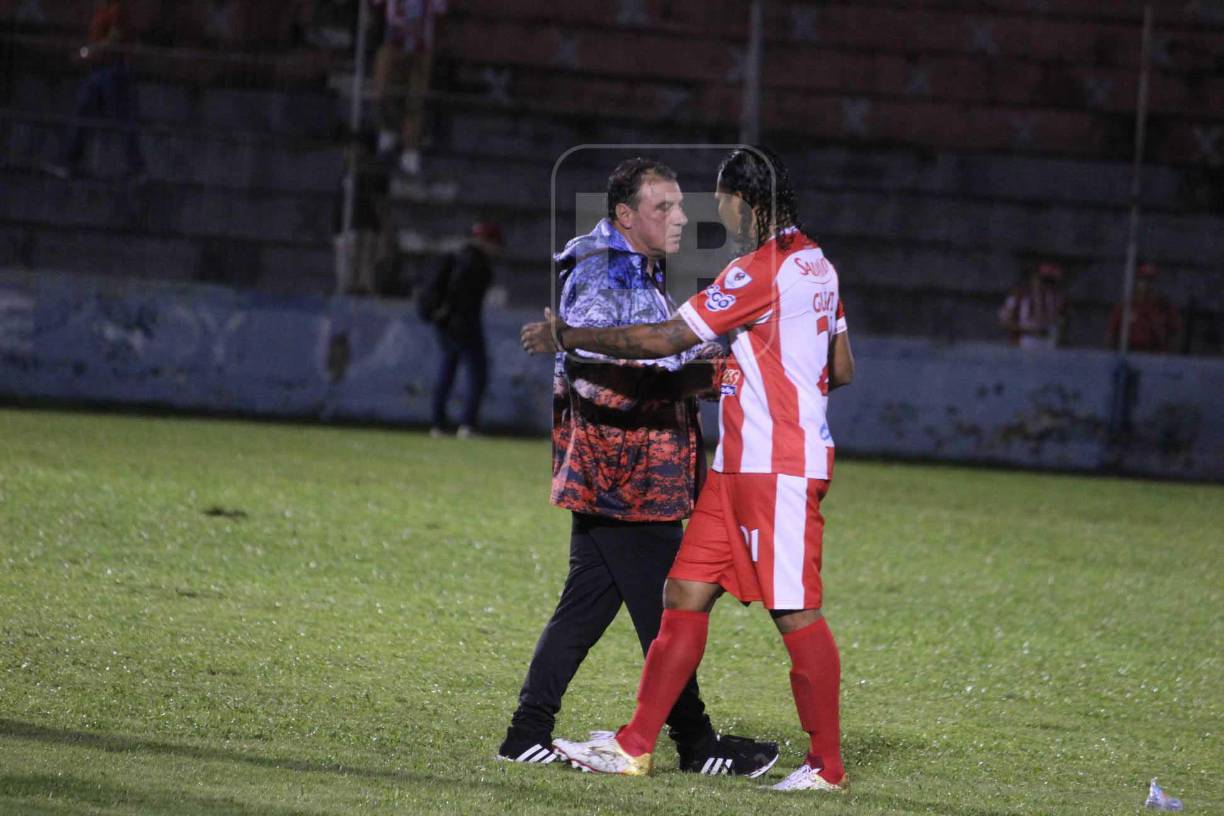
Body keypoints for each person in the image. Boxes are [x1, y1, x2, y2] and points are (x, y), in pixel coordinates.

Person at [520, 146, 856, 793]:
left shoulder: (758, 269)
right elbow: (839, 368)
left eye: (721, 198)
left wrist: (571, 335)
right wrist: (769, 379)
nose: (716, 210)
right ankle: (635, 745)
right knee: (683, 592)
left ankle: (827, 766)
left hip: (774, 469)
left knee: (795, 611)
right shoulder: (819, 265)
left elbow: (665, 339)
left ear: (745, 201)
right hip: (736, 470)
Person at [496, 158, 780, 778]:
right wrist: (702, 375)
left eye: (680, 206)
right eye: (664, 209)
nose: (681, 219)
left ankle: (526, 732)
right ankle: (697, 744)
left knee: (588, 607)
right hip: (626, 474)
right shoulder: (607, 276)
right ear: (625, 216)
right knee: (667, 618)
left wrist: (701, 359)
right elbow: (598, 380)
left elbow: (641, 349)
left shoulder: (628, 268)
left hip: (619, 472)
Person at [45, 0, 145, 182]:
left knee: (121, 118)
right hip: (101, 69)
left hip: (113, 69)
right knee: (84, 112)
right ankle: (68, 161)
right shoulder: (104, 9)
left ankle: (136, 168)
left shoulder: (117, 8)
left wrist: (86, 53)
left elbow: (114, 39)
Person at [419, 221, 500, 437]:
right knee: (477, 374)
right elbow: (463, 295)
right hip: (465, 324)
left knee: (447, 371)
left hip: (446, 325)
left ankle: (438, 423)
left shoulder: (457, 257)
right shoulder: (476, 263)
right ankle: (468, 424)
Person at [370, 0, 447, 176]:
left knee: (415, 102)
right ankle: (388, 129)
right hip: (393, 45)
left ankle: (410, 151)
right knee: (381, 91)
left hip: (421, 48)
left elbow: (440, 12)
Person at [1107, 263, 1182, 353]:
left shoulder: (1165, 307)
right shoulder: (1126, 306)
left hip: (1155, 355)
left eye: (1151, 281)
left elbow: (1175, 334)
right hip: (1129, 353)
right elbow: (1111, 334)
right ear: (1137, 282)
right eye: (1143, 280)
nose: (1147, 285)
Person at [998, 261, 1067, 349]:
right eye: (1044, 281)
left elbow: (1061, 322)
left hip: (1049, 345)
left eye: (1051, 282)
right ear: (1035, 279)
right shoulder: (1019, 297)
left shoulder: (1057, 298)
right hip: (1024, 344)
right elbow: (1004, 322)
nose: (1047, 285)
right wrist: (1029, 330)